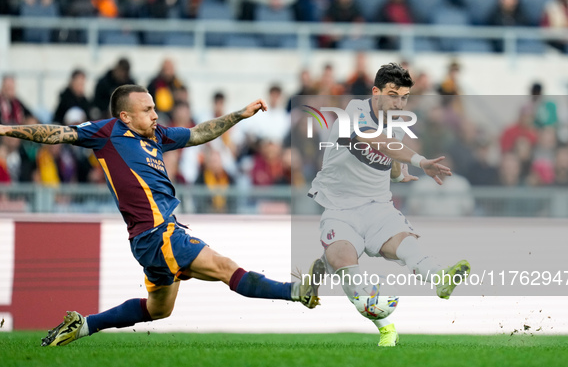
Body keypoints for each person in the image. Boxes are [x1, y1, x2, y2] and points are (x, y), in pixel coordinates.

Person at [0, 84, 325, 346]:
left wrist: (239, 115)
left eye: (155, 107)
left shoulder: (157, 136)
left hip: (151, 238)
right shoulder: (107, 133)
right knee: (226, 267)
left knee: (159, 309)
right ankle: (297, 292)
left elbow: (198, 133)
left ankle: (83, 325)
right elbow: (56, 133)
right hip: (159, 234)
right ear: (125, 116)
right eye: (148, 109)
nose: (156, 114)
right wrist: (5, 129)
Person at [305, 63, 471, 347]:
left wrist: (400, 173)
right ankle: (386, 328)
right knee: (344, 260)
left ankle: (439, 279)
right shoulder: (354, 113)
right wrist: (419, 161)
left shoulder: (398, 124)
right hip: (340, 209)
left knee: (405, 244)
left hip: (378, 207)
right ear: (376, 92)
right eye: (393, 94)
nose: (399, 103)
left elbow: (390, 162)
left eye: (404, 97)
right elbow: (379, 142)